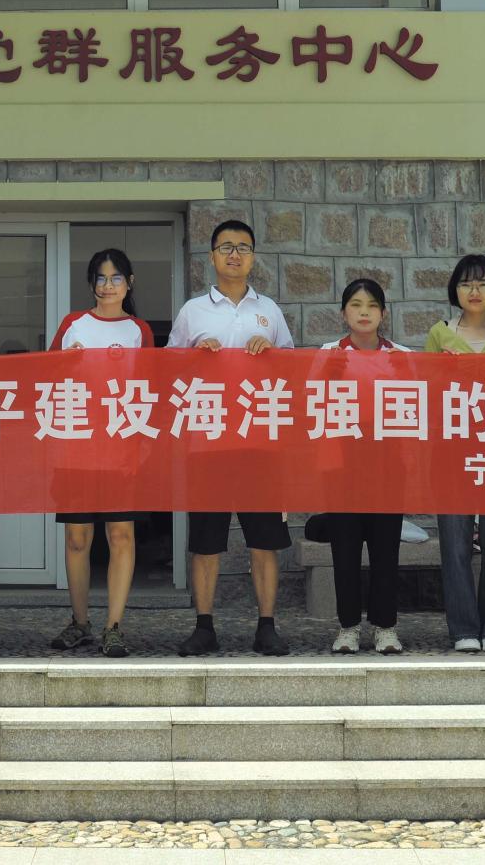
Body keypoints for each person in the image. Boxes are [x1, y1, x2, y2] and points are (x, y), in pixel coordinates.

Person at [166, 218, 296, 657]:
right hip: (208, 441)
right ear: (212, 257)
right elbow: (166, 370)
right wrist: (193, 356)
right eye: (226, 247)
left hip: (260, 440)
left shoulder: (270, 311)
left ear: (254, 257)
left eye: (243, 247)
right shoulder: (193, 311)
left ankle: (267, 626)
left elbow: (292, 373)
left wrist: (271, 352)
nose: (234, 255)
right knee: (206, 540)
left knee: (265, 539)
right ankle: (204, 625)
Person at [47, 249, 156, 660]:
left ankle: (113, 626)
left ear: (129, 283)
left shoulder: (138, 330)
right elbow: (44, 377)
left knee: (120, 534)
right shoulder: (73, 324)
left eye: (116, 278)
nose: (108, 286)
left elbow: (151, 387)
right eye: (101, 278)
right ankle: (79, 622)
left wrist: (143, 444)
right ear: (91, 283)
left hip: (121, 446)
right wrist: (64, 363)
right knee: (77, 538)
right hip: (75, 445)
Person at [424, 253, 485, 655]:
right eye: (466, 283)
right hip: (452, 451)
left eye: (482, 283)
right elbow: (426, 393)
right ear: (456, 290)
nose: (475, 290)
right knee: (456, 542)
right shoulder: (439, 333)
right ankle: (463, 626)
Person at [318, 278, 408, 656]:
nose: (364, 312)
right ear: (344, 313)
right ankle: (348, 627)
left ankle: (385, 627)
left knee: (386, 548)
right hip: (342, 464)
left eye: (372, 305)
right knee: (346, 548)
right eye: (356, 305)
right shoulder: (328, 354)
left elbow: (419, 408)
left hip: (388, 463)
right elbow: (312, 406)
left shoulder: (401, 355)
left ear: (383, 313)